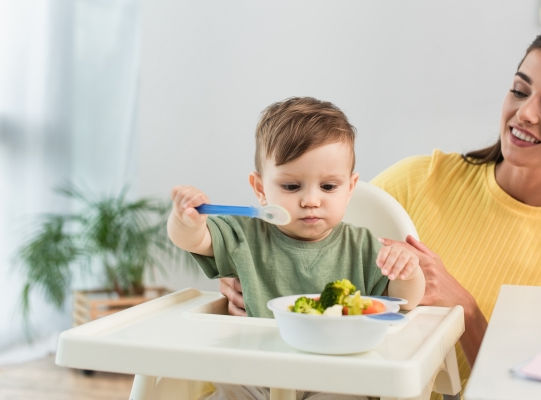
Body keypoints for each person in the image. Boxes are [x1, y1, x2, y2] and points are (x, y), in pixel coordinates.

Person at [219, 25, 541, 395]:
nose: (524, 113)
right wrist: (252, 280)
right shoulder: (421, 178)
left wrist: (464, 307)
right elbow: (309, 247)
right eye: (520, 90)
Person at [168, 97, 425, 399]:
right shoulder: (245, 235)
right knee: (227, 389)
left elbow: (405, 303)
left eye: (328, 187)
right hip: (257, 371)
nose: (311, 200)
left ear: (350, 188)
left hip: (338, 376)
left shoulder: (364, 245)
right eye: (292, 187)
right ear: (261, 189)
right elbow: (194, 240)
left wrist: (407, 271)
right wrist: (186, 222)